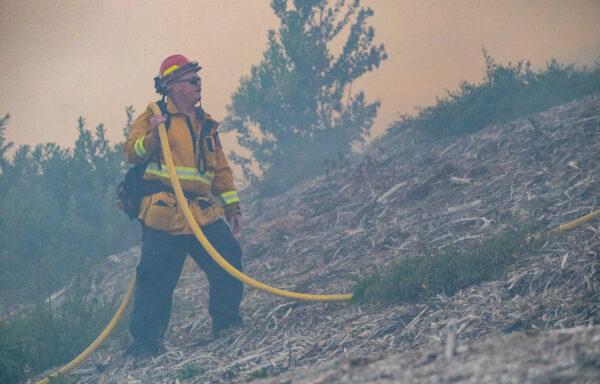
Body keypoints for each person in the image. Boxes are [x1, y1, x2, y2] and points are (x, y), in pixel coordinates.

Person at [124, 54, 244, 358]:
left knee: (227, 257)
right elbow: (132, 153)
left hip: (202, 213)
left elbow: (221, 168)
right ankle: (145, 346)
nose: (198, 84)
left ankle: (227, 323)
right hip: (165, 213)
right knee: (155, 280)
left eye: (198, 79)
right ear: (173, 85)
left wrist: (232, 206)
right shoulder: (153, 115)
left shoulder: (206, 124)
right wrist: (154, 135)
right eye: (192, 80)